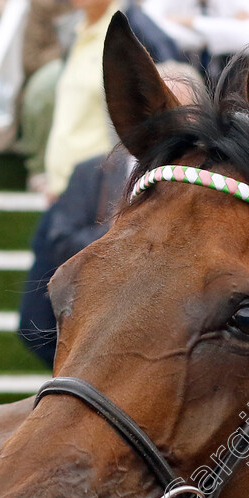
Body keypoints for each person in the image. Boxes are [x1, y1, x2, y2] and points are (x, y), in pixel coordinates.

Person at [19, 62, 202, 366]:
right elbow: (61, 240)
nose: (166, 126)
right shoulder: (91, 173)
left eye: (178, 112)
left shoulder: (212, 183)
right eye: (156, 111)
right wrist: (129, 235)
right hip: (95, 329)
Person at [22, 0, 181, 199]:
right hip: (64, 192)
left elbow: (171, 123)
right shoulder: (73, 30)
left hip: (107, 197)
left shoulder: (142, 35)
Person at [141, 0, 249, 84]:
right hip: (180, 82)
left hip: (231, 85)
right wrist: (224, 33)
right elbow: (149, 32)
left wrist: (192, 22)